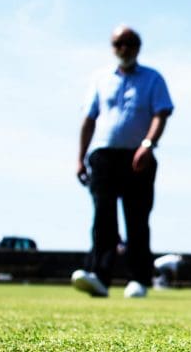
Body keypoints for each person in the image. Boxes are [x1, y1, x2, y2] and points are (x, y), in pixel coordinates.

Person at [71, 25, 174, 298]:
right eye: (118, 44)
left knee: (137, 218)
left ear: (137, 47)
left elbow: (160, 115)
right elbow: (89, 119)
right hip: (103, 156)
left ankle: (138, 279)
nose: (123, 48)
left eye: (129, 43)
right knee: (103, 218)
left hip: (139, 157)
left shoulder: (153, 79)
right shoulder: (100, 79)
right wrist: (80, 158)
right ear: (112, 47)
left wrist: (147, 144)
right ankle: (99, 277)